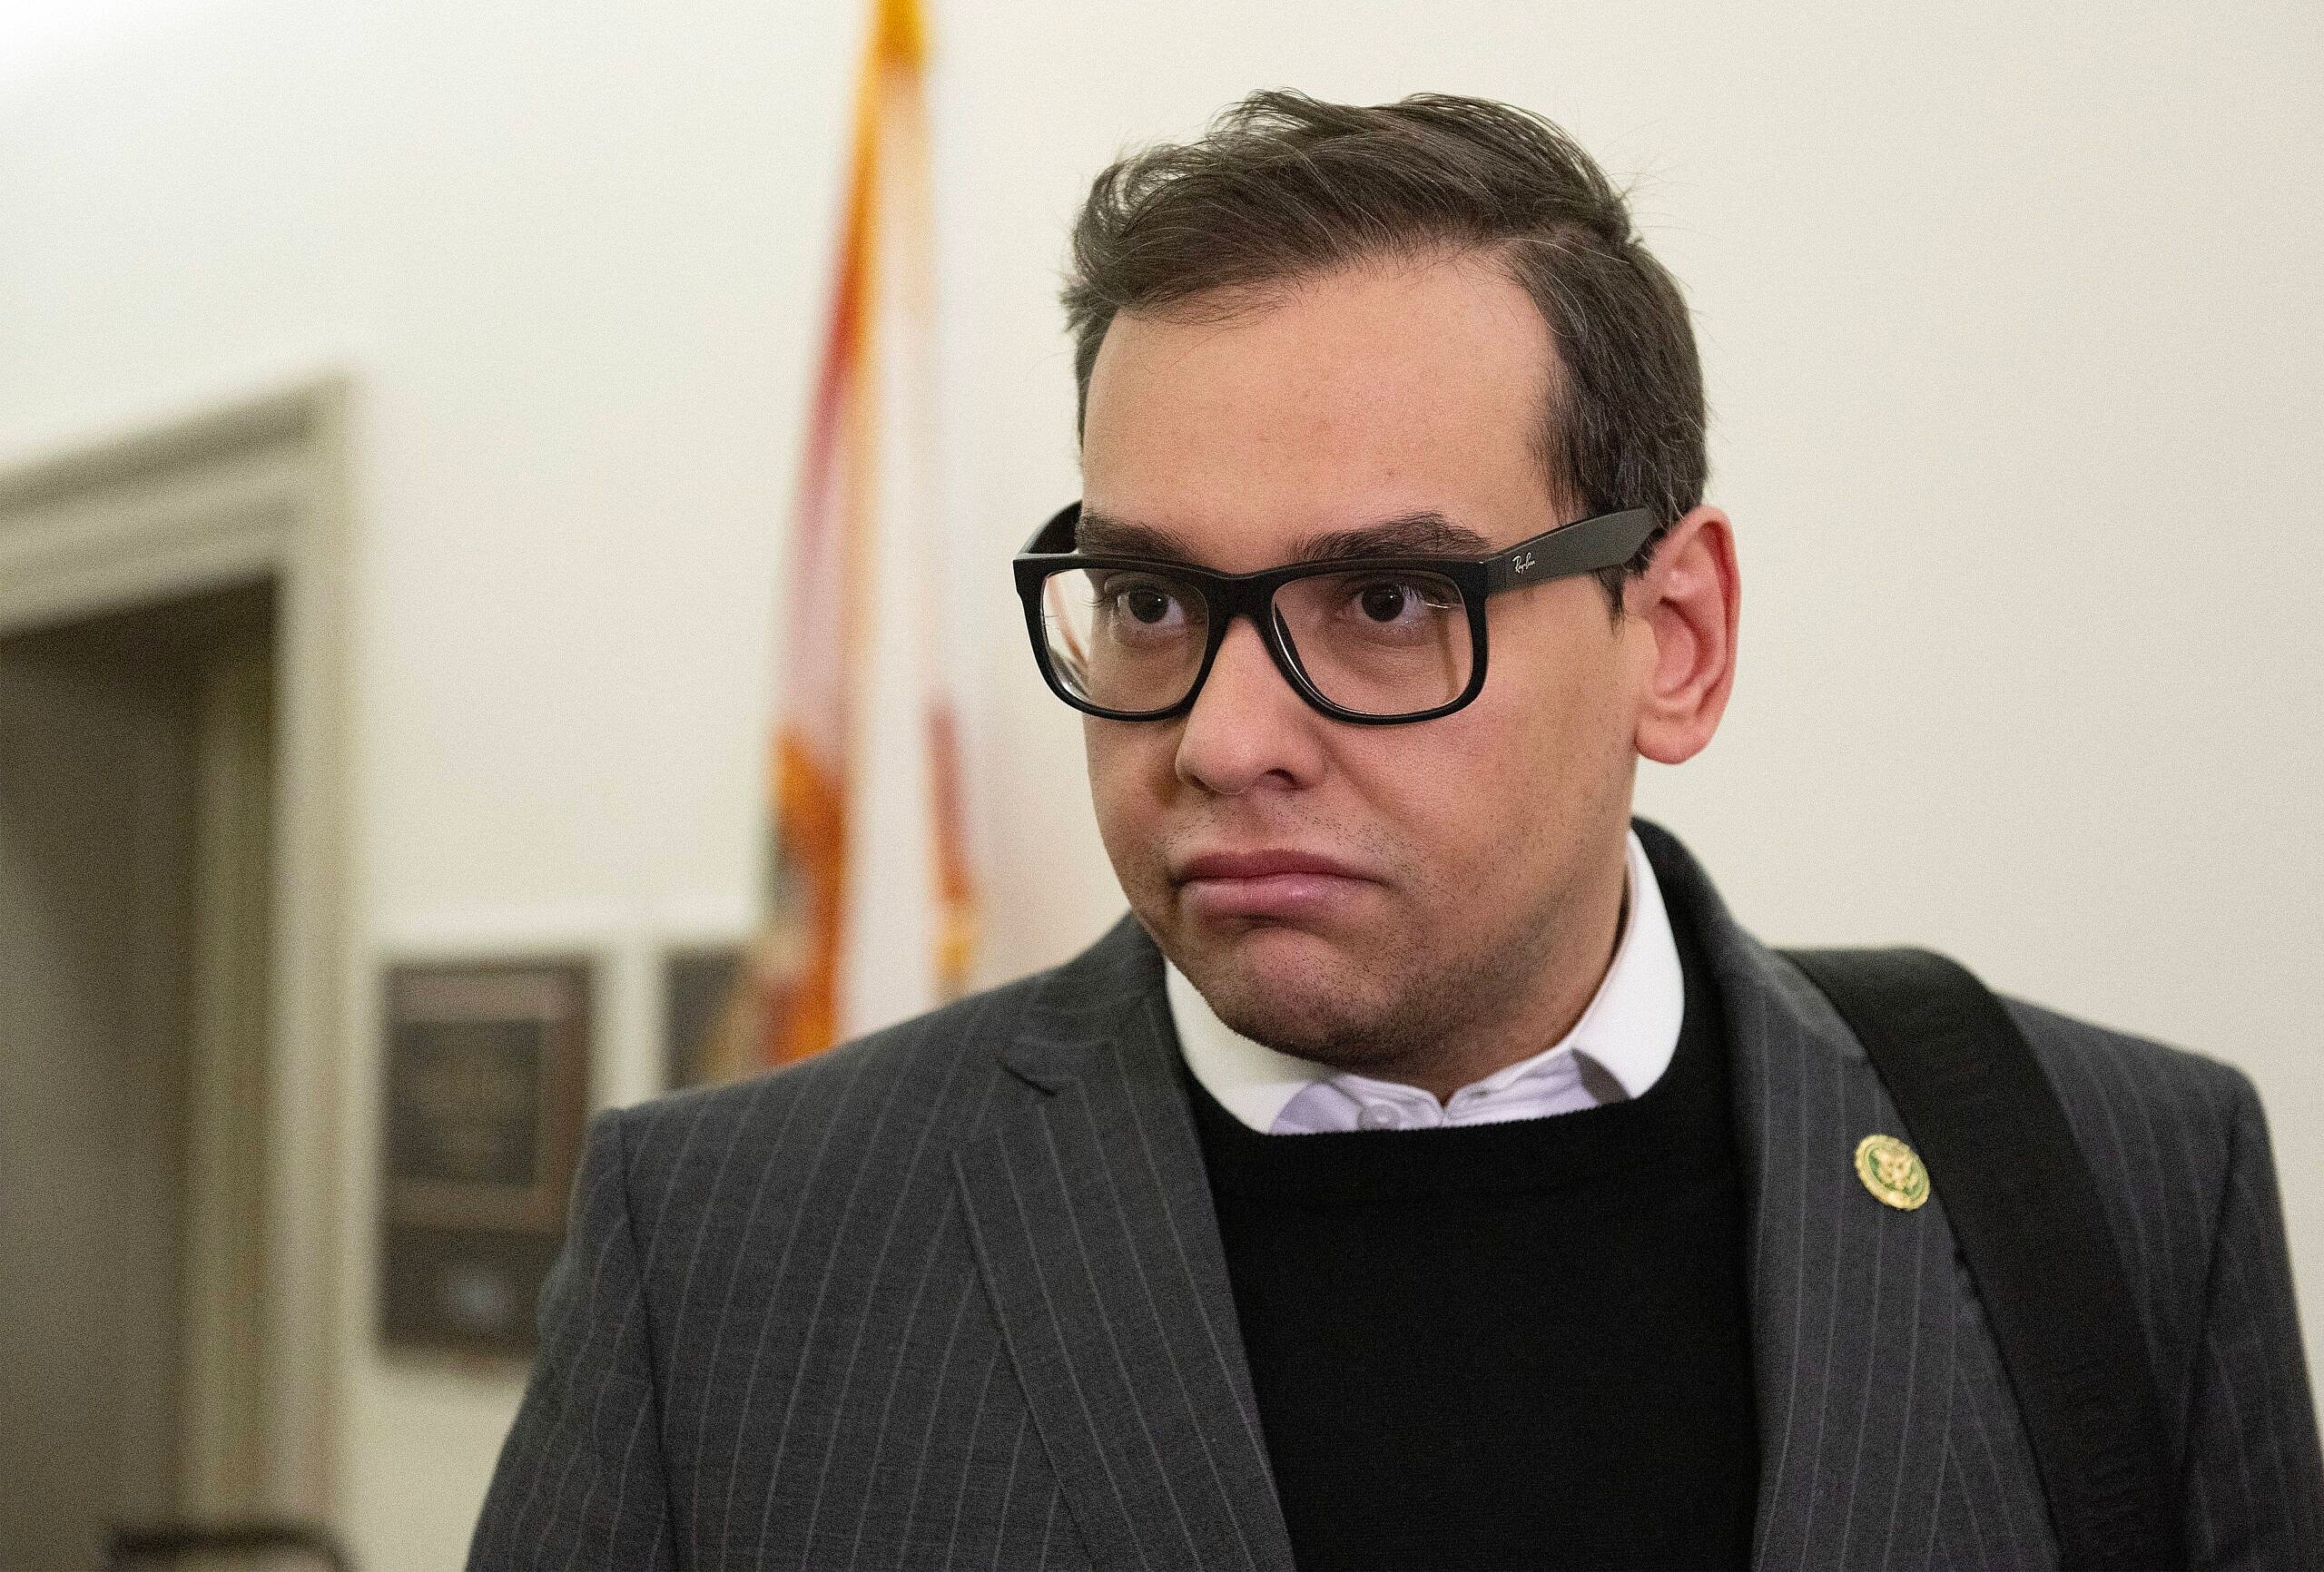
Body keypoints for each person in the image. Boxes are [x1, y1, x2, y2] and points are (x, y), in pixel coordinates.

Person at [468, 91, 2322, 1570]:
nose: (1222, 739)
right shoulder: (723, 1251)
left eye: (1383, 602)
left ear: (1674, 639)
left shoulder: (2123, 1182)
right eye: (1149, 601)